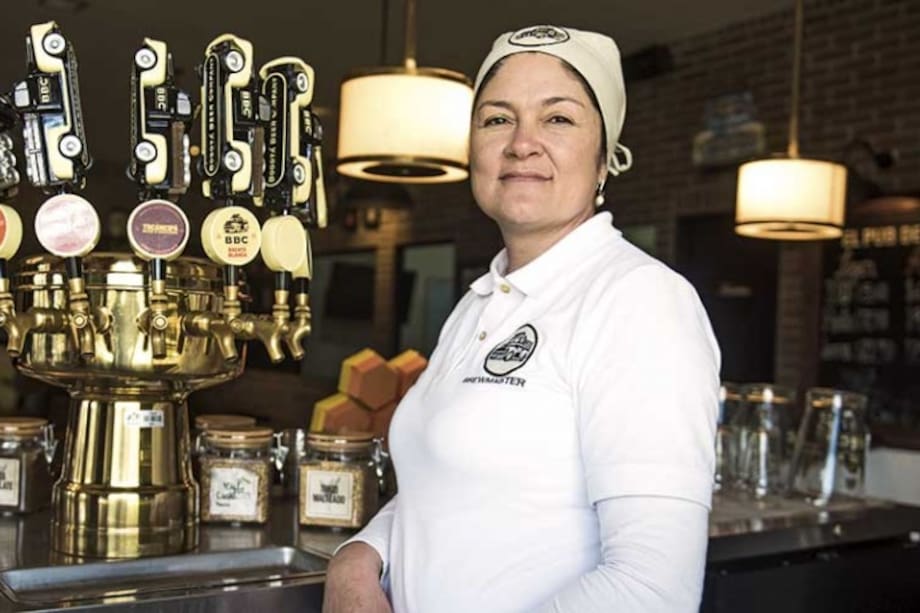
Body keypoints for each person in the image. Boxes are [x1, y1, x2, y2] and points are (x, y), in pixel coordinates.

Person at [323, 24, 720, 613]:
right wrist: (358, 557)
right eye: (496, 118)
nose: (521, 143)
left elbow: (651, 590)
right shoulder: (482, 301)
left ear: (605, 158)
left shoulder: (641, 301)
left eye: (558, 118)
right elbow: (448, 487)